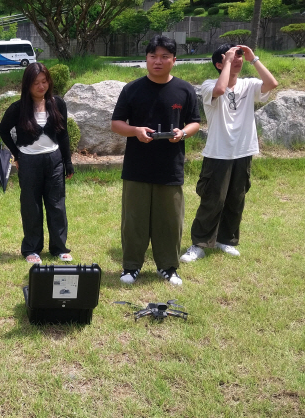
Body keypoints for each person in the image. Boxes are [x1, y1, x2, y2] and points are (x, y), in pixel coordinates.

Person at [111, 35, 201, 286]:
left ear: (174, 60)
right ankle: (130, 267)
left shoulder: (184, 90)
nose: (157, 61)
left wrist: (183, 132)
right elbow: (116, 123)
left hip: (170, 166)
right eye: (153, 56)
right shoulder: (132, 89)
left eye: (164, 57)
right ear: (146, 60)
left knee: (170, 221)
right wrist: (136, 131)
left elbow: (195, 122)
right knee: (134, 220)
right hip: (136, 167)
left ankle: (168, 267)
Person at [180, 44, 278, 262]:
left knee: (236, 198)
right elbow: (220, 90)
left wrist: (253, 58)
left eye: (239, 57)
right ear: (219, 64)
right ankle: (199, 243)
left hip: (243, 151)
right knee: (212, 199)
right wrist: (228, 62)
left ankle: (227, 240)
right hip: (218, 153)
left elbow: (272, 83)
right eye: (232, 57)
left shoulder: (249, 84)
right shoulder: (208, 85)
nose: (238, 60)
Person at [0, 62, 74, 264]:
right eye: (36, 83)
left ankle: (59, 248)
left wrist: (68, 162)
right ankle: (31, 249)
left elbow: (63, 134)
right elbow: (3, 130)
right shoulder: (18, 108)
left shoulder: (58, 104)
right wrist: (16, 154)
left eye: (44, 81)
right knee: (31, 206)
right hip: (29, 161)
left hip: (54, 160)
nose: (41, 86)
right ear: (27, 85)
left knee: (57, 205)